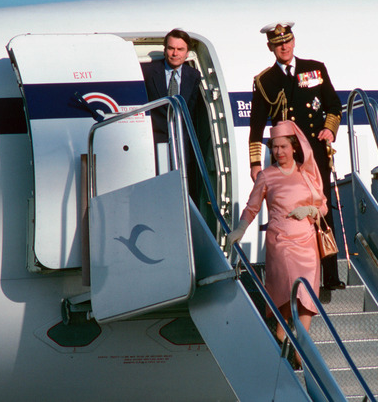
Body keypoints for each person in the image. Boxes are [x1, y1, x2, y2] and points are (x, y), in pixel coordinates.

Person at [248, 21, 345, 290]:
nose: (284, 47)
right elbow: (256, 126)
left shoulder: (314, 69)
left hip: (314, 153)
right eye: (278, 44)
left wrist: (329, 129)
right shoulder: (265, 81)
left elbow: (334, 105)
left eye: (287, 41)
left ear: (293, 42)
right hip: (285, 159)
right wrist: (255, 163)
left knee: (322, 210)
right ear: (271, 47)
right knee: (288, 215)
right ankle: (290, 276)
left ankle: (331, 275)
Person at [227, 121, 327, 367]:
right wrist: (241, 228)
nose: (279, 152)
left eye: (283, 146)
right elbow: (252, 207)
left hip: (307, 241)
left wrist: (311, 209)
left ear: (294, 147)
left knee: (307, 293)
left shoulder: (307, 172)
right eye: (274, 147)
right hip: (280, 240)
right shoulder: (266, 175)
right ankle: (282, 332)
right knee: (288, 287)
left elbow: (323, 205)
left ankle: (300, 345)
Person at [141, 28, 204, 145]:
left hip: (182, 143)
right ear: (165, 50)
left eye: (180, 49)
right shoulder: (147, 72)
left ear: (187, 53)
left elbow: (192, 112)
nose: (175, 53)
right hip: (153, 141)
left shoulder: (194, 75)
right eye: (171, 48)